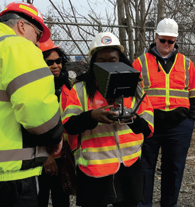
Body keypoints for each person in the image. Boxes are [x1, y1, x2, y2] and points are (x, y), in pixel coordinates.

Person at [0, 2, 63, 207]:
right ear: (23, 26)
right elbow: (37, 109)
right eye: (38, 35)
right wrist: (56, 135)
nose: (37, 43)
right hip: (13, 176)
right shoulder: (18, 46)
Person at [60, 32, 154, 207]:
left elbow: (148, 129)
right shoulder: (80, 89)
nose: (107, 65)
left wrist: (132, 118)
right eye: (101, 61)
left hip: (129, 166)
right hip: (94, 168)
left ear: (120, 59)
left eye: (112, 60)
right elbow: (69, 125)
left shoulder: (135, 88)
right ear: (93, 63)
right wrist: (92, 116)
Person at [132, 18, 195, 207]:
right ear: (155, 37)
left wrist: (190, 121)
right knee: (145, 169)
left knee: (174, 169)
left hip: (179, 127)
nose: (166, 44)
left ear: (175, 41)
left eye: (170, 41)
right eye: (162, 40)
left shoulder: (186, 63)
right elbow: (131, 96)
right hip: (150, 125)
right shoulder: (140, 63)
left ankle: (169, 204)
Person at [37, 39, 71, 207]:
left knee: (62, 200)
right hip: (41, 157)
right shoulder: (35, 89)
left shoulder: (68, 87)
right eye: (49, 62)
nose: (56, 66)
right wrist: (45, 156)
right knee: (39, 198)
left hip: (63, 155)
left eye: (59, 61)